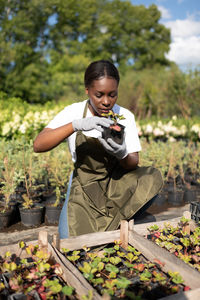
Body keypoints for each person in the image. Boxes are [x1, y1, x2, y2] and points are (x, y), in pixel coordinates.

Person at [33, 60, 163, 238]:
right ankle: (116, 222)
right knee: (68, 238)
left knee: (150, 180)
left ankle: (118, 221)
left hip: (117, 180)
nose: (106, 101)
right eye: (99, 95)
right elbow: (38, 144)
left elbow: (133, 162)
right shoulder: (74, 112)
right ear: (87, 90)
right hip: (85, 181)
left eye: (112, 94)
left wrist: (122, 153)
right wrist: (75, 125)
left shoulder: (124, 116)